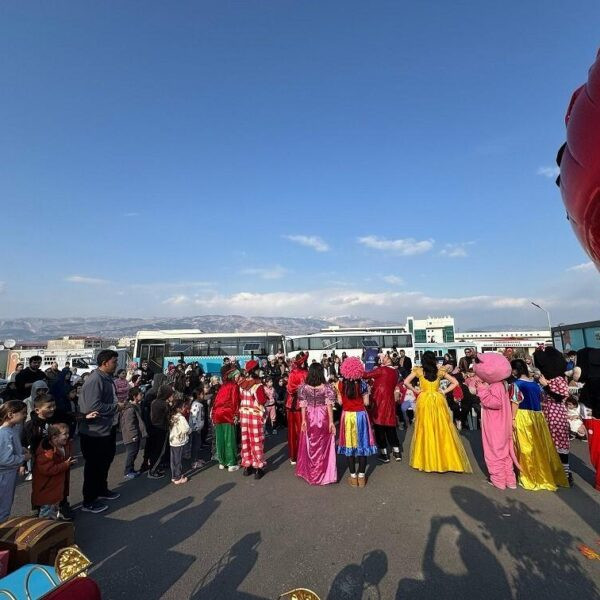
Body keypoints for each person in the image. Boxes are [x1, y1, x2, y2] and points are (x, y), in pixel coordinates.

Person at [403, 351, 472, 474]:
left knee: (425, 428)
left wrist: (416, 390)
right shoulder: (440, 371)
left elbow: (406, 382)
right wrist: (444, 392)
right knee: (441, 427)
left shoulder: (419, 371)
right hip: (438, 399)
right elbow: (455, 383)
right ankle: (446, 459)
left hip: (424, 399)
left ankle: (427, 460)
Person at [510, 359, 569, 491]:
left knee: (525, 447)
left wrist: (512, 419)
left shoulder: (516, 384)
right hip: (538, 417)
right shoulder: (536, 384)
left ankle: (529, 475)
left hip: (523, 416)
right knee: (540, 447)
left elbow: (515, 402)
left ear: (515, 370)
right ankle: (544, 473)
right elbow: (542, 399)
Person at [78, 349, 120, 514]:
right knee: (93, 466)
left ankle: (102, 489)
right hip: (93, 432)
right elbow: (93, 407)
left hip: (106, 429)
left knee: (105, 461)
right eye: (114, 362)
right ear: (105, 363)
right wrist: (116, 407)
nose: (116, 365)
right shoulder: (95, 380)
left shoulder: (107, 378)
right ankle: (89, 500)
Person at [336, 357, 378, 487]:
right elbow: (366, 403)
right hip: (360, 416)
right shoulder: (363, 384)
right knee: (362, 445)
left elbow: (340, 403)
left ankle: (353, 477)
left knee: (350, 445)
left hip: (347, 416)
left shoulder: (340, 384)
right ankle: (362, 476)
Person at [533, 346, 572, 485]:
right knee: (550, 444)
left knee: (560, 443)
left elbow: (560, 397)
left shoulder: (559, 379)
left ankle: (565, 475)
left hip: (556, 413)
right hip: (547, 413)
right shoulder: (551, 378)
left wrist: (545, 386)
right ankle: (555, 473)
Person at [295, 363, 337, 486]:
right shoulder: (326, 388)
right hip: (322, 415)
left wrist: (303, 419)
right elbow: (329, 405)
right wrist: (331, 422)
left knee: (309, 444)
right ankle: (322, 472)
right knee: (322, 445)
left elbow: (303, 404)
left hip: (309, 415)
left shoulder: (303, 388)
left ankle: (310, 472)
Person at [363, 354, 401, 463]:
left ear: (386, 361)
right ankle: (397, 451)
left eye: (383, 358)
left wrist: (354, 370)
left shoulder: (382, 370)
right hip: (389, 402)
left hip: (379, 402)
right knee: (390, 427)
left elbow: (366, 375)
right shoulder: (395, 372)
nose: (381, 359)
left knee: (379, 427)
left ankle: (384, 454)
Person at [32, 423, 75, 520]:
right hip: (48, 487)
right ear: (54, 437)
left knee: (54, 506)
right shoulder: (47, 452)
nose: (68, 436)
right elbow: (48, 469)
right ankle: (45, 529)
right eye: (65, 434)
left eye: (68, 433)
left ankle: (54, 522)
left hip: (56, 487)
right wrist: (65, 465)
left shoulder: (64, 445)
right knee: (47, 511)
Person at [0, 400, 30, 521]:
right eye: (23, 413)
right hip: (4, 476)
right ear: (11, 414)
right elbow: (5, 459)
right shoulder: (4, 433)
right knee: (4, 506)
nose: (25, 416)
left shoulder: (12, 429)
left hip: (8, 474)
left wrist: (21, 449)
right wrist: (24, 458)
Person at [239, 360, 267, 480]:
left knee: (246, 441)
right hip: (255, 416)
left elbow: (240, 398)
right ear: (256, 370)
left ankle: (247, 465)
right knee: (256, 442)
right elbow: (262, 400)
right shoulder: (257, 385)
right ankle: (257, 467)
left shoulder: (242, 384)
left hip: (244, 416)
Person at [212, 365, 241, 471]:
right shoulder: (234, 386)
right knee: (229, 439)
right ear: (232, 375)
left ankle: (222, 461)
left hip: (218, 414)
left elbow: (216, 402)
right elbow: (235, 402)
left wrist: (214, 414)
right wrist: (236, 415)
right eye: (237, 374)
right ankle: (231, 463)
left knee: (220, 439)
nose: (239, 376)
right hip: (228, 414)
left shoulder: (222, 386)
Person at [120, 386, 147, 479]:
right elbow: (129, 424)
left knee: (134, 453)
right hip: (131, 437)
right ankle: (127, 471)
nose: (142, 395)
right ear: (135, 396)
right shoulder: (130, 409)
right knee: (131, 453)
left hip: (135, 435)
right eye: (140, 394)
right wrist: (133, 435)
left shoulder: (136, 406)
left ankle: (131, 470)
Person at [286, 353, 309, 465]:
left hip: (292, 405)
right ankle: (302, 455)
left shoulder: (292, 373)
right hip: (301, 405)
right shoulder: (305, 373)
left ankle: (294, 456)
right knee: (302, 430)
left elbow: (290, 389)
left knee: (292, 432)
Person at [147, 384, 173, 479]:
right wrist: (170, 405)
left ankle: (155, 467)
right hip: (162, 429)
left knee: (155, 449)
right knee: (160, 451)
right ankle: (153, 471)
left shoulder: (154, 402)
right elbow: (170, 416)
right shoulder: (164, 404)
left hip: (153, 428)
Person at [169, 396, 190, 485]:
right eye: (183, 406)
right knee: (178, 460)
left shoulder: (172, 416)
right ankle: (178, 477)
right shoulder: (181, 418)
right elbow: (186, 429)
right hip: (179, 441)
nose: (185, 408)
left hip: (173, 440)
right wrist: (190, 430)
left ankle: (174, 476)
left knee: (173, 459)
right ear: (179, 408)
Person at [189, 389, 206, 469]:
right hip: (196, 429)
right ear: (198, 395)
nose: (203, 396)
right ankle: (193, 462)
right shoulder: (196, 405)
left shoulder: (199, 404)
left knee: (198, 444)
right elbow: (194, 417)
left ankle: (196, 459)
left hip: (199, 427)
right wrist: (196, 427)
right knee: (195, 445)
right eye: (202, 394)